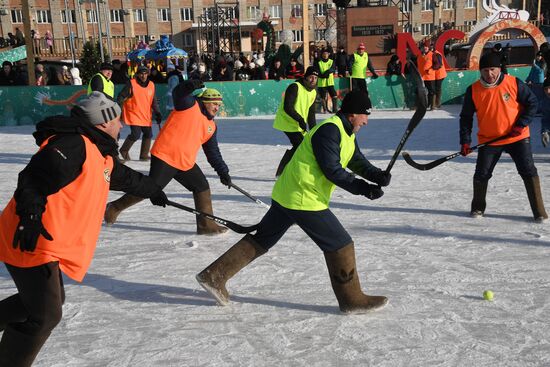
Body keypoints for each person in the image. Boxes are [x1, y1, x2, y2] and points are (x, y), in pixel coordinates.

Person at [0, 92, 168, 366]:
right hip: (30, 235)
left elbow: (121, 176)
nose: (122, 125)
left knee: (42, 304)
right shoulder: (74, 144)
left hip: (44, 239)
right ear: (103, 123)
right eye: (117, 119)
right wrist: (30, 215)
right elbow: (33, 178)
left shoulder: (99, 151)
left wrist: (153, 190)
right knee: (46, 314)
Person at [196, 90, 391, 314]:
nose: (366, 121)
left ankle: (213, 275)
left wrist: (377, 175)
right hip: (303, 197)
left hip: (289, 194)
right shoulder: (329, 131)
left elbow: (355, 159)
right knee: (340, 243)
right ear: (352, 114)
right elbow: (333, 170)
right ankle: (351, 299)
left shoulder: (345, 132)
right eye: (364, 115)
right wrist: (363, 189)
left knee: (264, 239)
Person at [104, 82, 233, 235]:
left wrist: (223, 172)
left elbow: (213, 153)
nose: (216, 107)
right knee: (150, 188)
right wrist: (190, 83)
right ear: (204, 101)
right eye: (214, 103)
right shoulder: (189, 106)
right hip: (165, 156)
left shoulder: (211, 126)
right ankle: (115, 207)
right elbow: (179, 93)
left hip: (185, 162)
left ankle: (206, 225)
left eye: (219, 105)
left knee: (202, 186)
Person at [459, 53, 547, 222]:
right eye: (485, 70)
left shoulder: (513, 83)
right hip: (489, 140)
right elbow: (466, 117)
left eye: (492, 69)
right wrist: (465, 141)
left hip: (517, 137)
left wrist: (521, 124)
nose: (489, 74)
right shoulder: (474, 89)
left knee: (528, 172)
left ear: (498, 69)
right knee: (481, 175)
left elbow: (532, 103)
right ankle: (477, 208)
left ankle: (539, 212)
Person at [273, 66, 319, 176]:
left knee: (303, 145)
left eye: (316, 78)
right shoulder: (295, 87)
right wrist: (300, 119)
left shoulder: (313, 92)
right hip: (287, 121)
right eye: (311, 77)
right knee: (300, 145)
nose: (313, 80)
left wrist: (314, 130)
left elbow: (311, 114)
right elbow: (287, 107)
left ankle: (285, 171)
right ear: (306, 77)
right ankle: (282, 173)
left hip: (298, 124)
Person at [117, 65, 162, 161]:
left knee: (148, 134)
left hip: (145, 114)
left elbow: (153, 101)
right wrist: (119, 109)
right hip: (133, 113)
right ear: (137, 74)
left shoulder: (151, 85)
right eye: (141, 73)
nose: (143, 75)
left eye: (145, 73)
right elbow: (121, 96)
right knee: (136, 134)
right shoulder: (131, 83)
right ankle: (124, 150)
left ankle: (144, 155)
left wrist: (157, 113)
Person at [316, 48, 338, 113]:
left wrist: (327, 72)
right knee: (323, 97)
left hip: (330, 82)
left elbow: (333, 69)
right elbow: (317, 71)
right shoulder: (319, 63)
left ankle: (335, 109)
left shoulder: (331, 61)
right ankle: (325, 110)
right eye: (324, 54)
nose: (325, 55)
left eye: (326, 54)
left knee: (334, 95)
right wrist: (322, 75)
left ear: (328, 54)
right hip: (322, 83)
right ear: (322, 55)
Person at [417, 42, 435, 110]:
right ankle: (424, 105)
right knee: (422, 92)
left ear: (428, 48)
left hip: (430, 76)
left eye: (426, 47)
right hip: (421, 77)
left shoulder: (432, 55)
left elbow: (437, 64)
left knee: (431, 91)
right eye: (423, 47)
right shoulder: (420, 55)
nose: (424, 48)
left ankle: (431, 105)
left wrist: (430, 70)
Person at [541, 78, 550, 148]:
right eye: (545, 89)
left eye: (549, 88)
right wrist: (544, 132)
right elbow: (546, 119)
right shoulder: (546, 102)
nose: (548, 91)